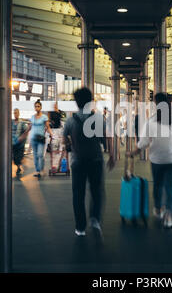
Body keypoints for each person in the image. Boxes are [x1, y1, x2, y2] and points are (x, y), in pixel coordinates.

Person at [127, 93, 172, 229]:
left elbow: (143, 143)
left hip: (158, 160)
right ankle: (168, 215)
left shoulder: (152, 121)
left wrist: (132, 152)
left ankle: (157, 209)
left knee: (158, 185)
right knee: (170, 187)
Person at [63, 87, 115, 237]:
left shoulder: (71, 120)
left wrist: (68, 145)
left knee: (78, 194)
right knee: (97, 191)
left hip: (78, 162)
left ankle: (80, 227)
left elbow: (64, 139)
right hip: (96, 160)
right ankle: (95, 219)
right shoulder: (98, 118)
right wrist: (112, 155)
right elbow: (107, 137)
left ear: (76, 102)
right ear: (90, 101)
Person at [23, 100, 53, 178]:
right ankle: (37, 170)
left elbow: (48, 127)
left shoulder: (44, 117)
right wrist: (24, 134)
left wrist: (52, 134)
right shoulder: (32, 117)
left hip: (41, 138)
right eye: (36, 106)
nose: (37, 108)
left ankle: (42, 169)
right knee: (35, 155)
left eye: (38, 106)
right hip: (33, 138)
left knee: (40, 154)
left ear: (41, 107)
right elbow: (29, 127)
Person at [11, 108, 28, 175]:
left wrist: (22, 139)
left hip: (19, 142)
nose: (15, 114)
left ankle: (18, 167)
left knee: (19, 155)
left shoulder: (22, 123)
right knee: (14, 156)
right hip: (13, 142)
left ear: (19, 114)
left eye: (16, 113)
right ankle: (18, 165)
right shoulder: (11, 122)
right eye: (14, 113)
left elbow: (26, 131)